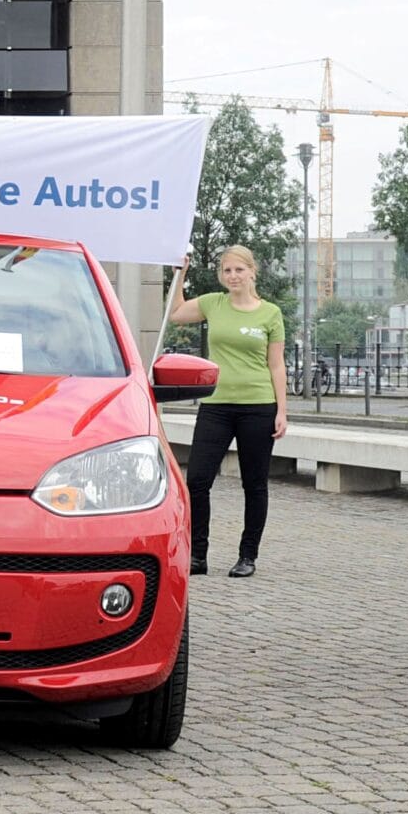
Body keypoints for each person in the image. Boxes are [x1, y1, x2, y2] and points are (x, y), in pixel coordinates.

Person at [167, 246, 288, 578]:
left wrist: (282, 410)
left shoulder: (270, 313)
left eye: (238, 270)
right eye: (227, 271)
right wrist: (181, 274)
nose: (232, 276)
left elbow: (276, 365)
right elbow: (176, 313)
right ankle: (198, 555)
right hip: (216, 405)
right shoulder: (213, 304)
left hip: (258, 407)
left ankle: (247, 556)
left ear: (252, 272)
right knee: (198, 480)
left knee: (254, 484)